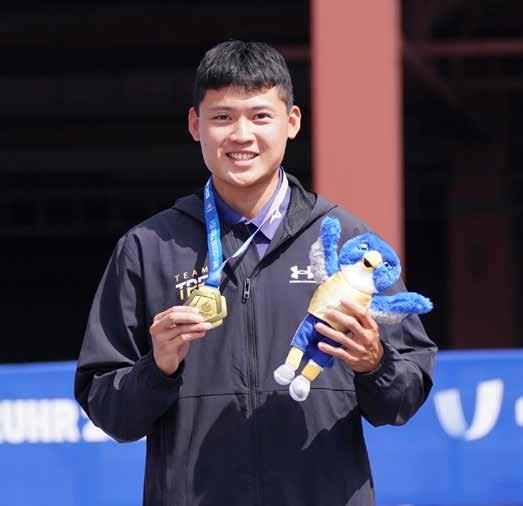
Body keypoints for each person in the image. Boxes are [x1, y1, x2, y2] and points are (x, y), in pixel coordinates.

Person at [75, 40, 437, 506]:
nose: (241, 135)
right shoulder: (148, 248)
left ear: (292, 122)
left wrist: (375, 362)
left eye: (261, 116)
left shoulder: (348, 243)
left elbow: (404, 397)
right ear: (195, 125)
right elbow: (108, 410)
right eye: (223, 117)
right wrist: (157, 368)